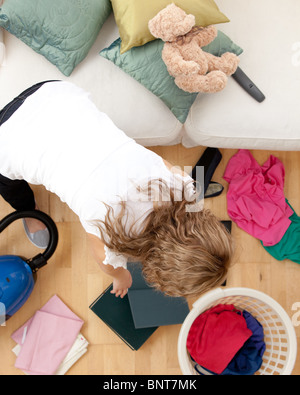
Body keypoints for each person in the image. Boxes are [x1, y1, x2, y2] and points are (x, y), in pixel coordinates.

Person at [0, 81, 233, 299]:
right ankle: (28, 210)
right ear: (156, 266)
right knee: (7, 183)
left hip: (56, 94)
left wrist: (190, 207)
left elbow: (178, 178)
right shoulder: (110, 243)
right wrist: (122, 276)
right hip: (8, 134)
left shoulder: (182, 185)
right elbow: (106, 264)